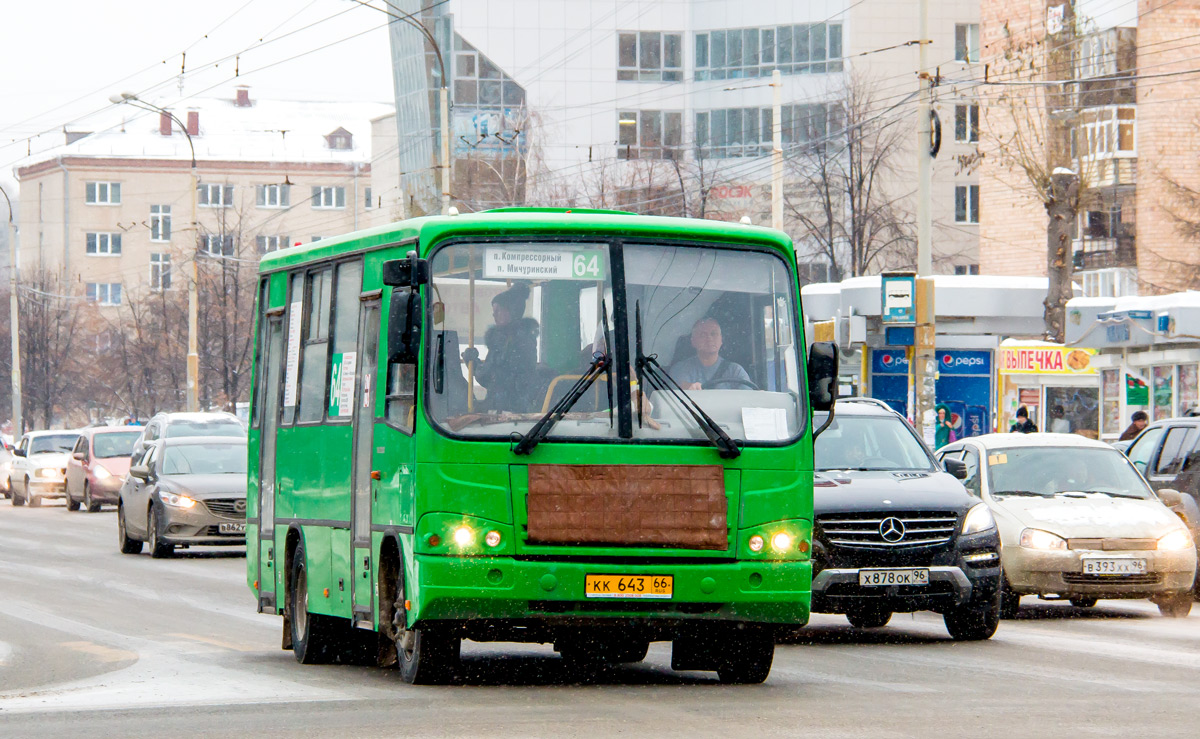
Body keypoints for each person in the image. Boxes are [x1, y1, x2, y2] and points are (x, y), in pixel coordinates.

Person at [461, 283, 540, 412]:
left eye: (498, 310)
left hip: (507, 408)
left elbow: (489, 376)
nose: (494, 315)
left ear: (511, 310)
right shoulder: (522, 338)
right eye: (493, 312)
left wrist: (472, 362)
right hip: (514, 407)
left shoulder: (510, 341)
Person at [667, 317, 752, 390]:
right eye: (703, 335)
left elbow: (748, 400)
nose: (709, 338)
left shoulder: (735, 371)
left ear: (721, 340)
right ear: (693, 341)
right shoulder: (680, 369)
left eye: (713, 334)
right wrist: (688, 388)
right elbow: (679, 390)